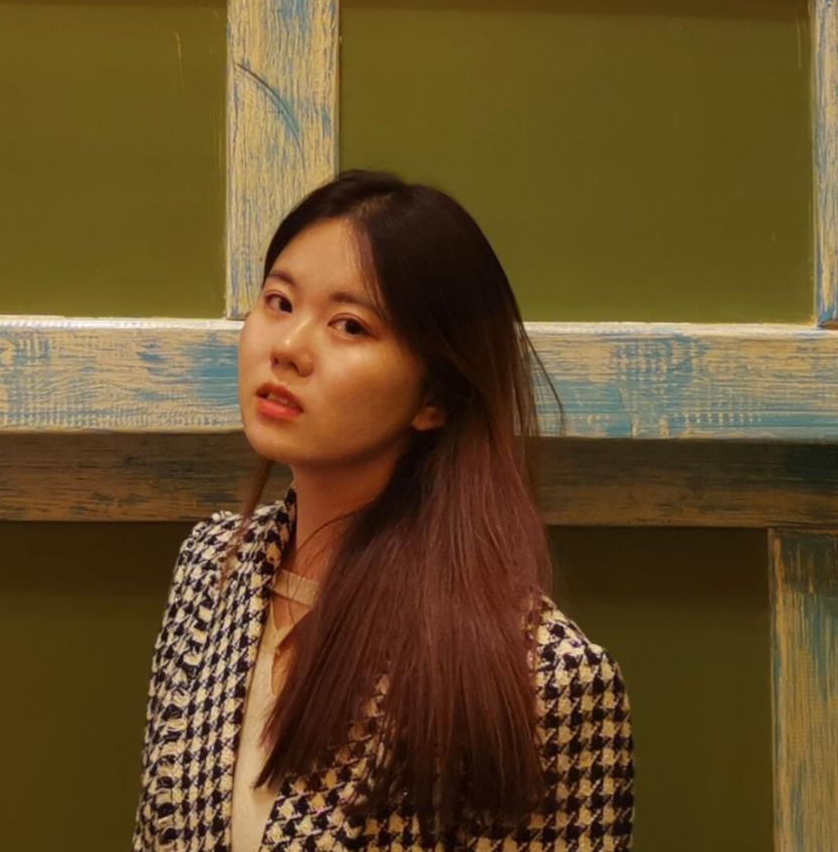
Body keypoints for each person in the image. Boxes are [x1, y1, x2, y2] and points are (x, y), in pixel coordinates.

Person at [132, 169, 635, 851]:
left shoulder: (543, 678)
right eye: (279, 301)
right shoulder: (213, 568)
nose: (288, 347)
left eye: (349, 325)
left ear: (435, 397)